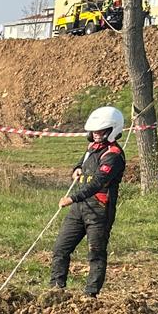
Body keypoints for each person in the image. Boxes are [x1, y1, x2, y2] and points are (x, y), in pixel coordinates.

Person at [50, 105, 127, 298]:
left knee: (96, 253)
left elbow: (98, 182)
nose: (96, 134)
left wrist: (72, 198)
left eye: (101, 131)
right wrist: (76, 168)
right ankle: (56, 289)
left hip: (99, 210)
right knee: (60, 248)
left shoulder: (114, 155)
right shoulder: (91, 148)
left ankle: (90, 295)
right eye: (94, 131)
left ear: (112, 130)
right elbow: (83, 162)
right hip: (79, 209)